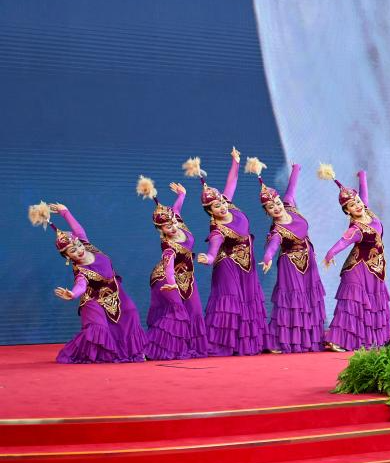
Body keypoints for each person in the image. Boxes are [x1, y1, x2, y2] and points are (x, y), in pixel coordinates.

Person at [28, 202, 146, 363]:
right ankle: (100, 354)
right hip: (94, 300)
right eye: (73, 250)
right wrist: (73, 294)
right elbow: (81, 285)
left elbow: (78, 230)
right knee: (99, 328)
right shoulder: (81, 271)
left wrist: (65, 212)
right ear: (67, 256)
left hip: (115, 292)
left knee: (131, 312)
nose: (79, 250)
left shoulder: (87, 245)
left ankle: (134, 351)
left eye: (78, 245)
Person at [185, 148, 269, 356]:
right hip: (228, 266)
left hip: (247, 264)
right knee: (229, 302)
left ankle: (245, 344)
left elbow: (232, 182)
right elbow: (213, 249)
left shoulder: (229, 205)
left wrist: (235, 161)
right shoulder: (217, 230)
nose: (222, 206)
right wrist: (208, 258)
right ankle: (222, 345)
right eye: (216, 206)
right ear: (209, 211)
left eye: (222, 202)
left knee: (248, 300)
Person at [250, 160, 326, 353]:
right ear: (267, 212)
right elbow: (272, 247)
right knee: (293, 303)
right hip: (291, 265)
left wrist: (296, 169)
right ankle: (283, 341)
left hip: (308, 261)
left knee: (309, 299)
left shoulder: (290, 206)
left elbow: (291, 188)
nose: (276, 207)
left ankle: (311, 339)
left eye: (276, 203)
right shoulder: (277, 230)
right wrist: (267, 258)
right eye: (271, 207)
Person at [319, 165, 390, 351]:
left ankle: (370, 340)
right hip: (358, 270)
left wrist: (362, 176)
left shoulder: (367, 211)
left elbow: (364, 195)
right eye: (352, 205)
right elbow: (342, 242)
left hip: (374, 269)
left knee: (371, 305)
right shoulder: (356, 229)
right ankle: (338, 341)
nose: (358, 205)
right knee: (352, 305)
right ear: (347, 211)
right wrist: (329, 255)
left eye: (357, 202)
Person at [136, 176, 208, 360]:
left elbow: (176, 210)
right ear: (160, 229)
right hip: (166, 279)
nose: (173, 227)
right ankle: (150, 350)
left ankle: (193, 347)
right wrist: (172, 283)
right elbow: (168, 268)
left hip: (186, 276)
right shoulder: (168, 247)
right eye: (168, 226)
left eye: (173, 222)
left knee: (195, 311)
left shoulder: (177, 221)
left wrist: (182, 195)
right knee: (177, 312)